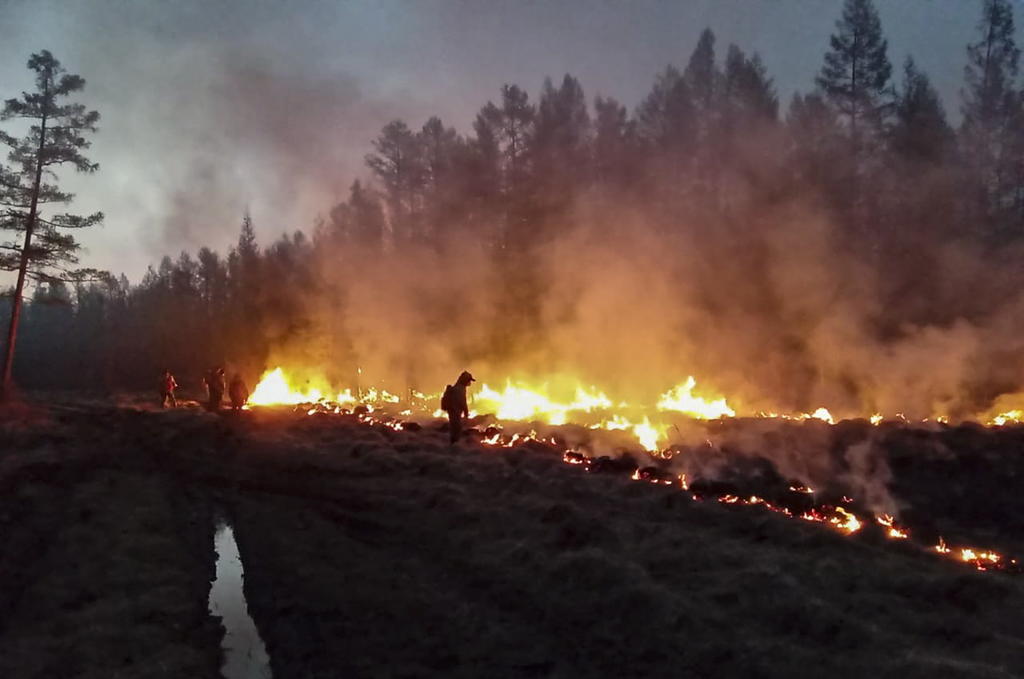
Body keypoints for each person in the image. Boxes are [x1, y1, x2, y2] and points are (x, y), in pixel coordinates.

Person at [441, 371, 475, 444]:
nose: (470, 382)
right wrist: (466, 412)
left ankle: (453, 444)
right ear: (465, 380)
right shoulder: (460, 389)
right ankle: (454, 446)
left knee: (454, 429)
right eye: (469, 380)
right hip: (455, 412)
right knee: (456, 429)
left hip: (453, 412)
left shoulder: (458, 387)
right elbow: (462, 401)